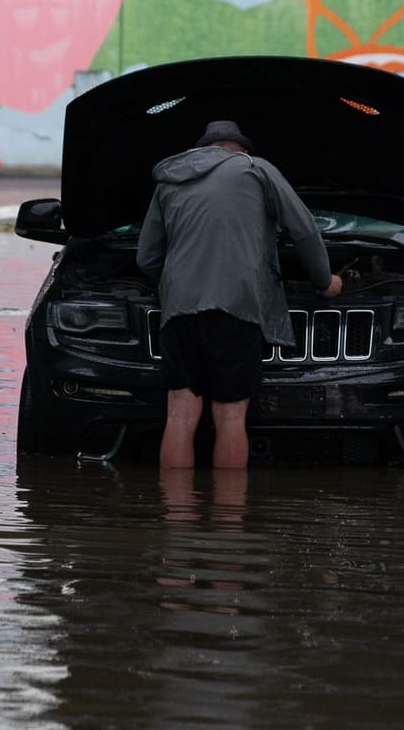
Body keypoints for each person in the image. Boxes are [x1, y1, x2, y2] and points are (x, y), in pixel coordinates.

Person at [137, 120, 342, 470]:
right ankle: (228, 519)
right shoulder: (255, 169)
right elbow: (304, 230)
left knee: (181, 415)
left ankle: (176, 518)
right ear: (242, 149)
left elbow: (146, 258)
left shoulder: (170, 180)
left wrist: (176, 286)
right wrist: (325, 282)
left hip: (178, 312)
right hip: (234, 307)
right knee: (230, 418)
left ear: (202, 151)